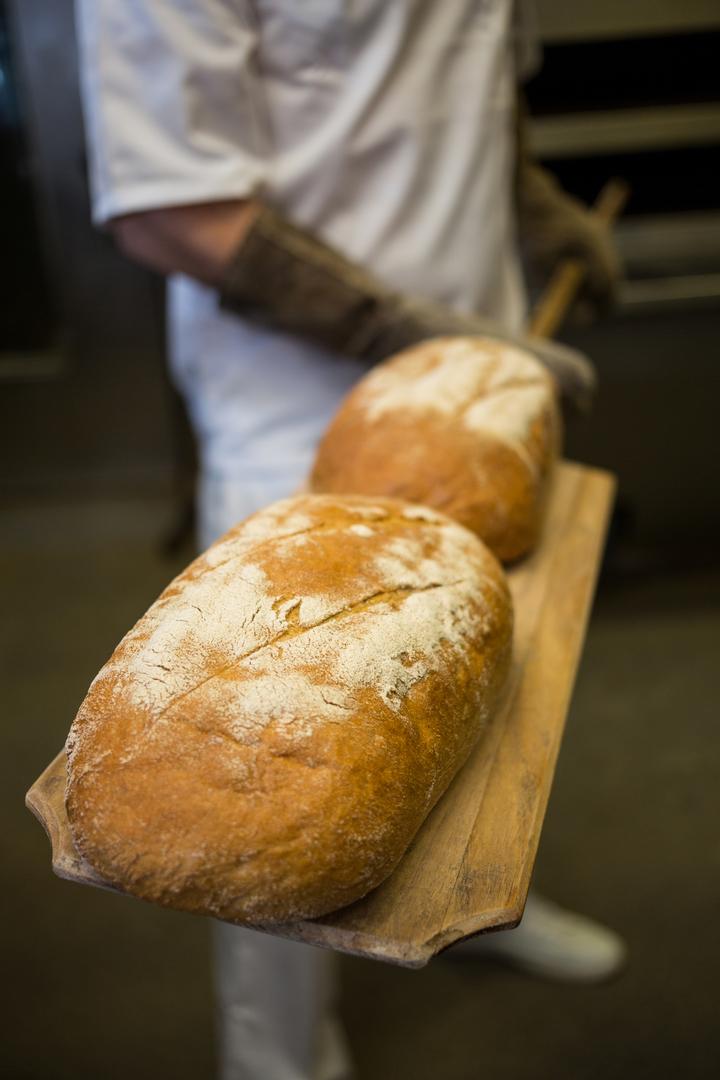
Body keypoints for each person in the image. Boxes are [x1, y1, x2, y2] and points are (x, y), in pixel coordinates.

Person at [74, 2, 625, 1077]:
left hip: (483, 372)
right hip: (299, 398)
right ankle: (276, 1055)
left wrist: (539, 210)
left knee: (472, 691)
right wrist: (404, 335)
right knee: (266, 785)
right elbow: (169, 208)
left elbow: (461, 77)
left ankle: (476, 901)